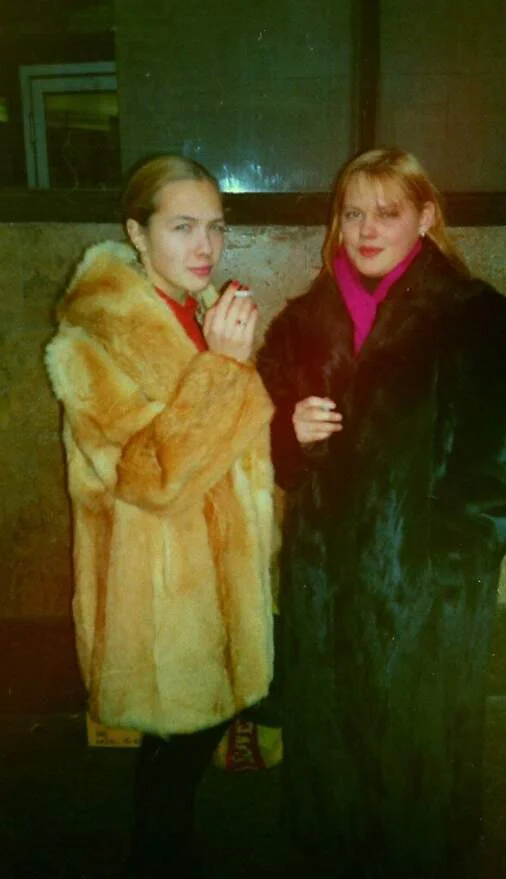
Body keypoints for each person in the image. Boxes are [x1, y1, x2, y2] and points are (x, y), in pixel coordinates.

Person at [257, 147, 506, 879]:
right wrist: (288, 438)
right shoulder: (301, 326)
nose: (365, 229)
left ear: (425, 216)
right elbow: (263, 455)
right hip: (324, 596)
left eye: (387, 212)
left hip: (427, 601)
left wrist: (443, 563)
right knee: (332, 777)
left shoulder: (482, 324)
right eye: (353, 212)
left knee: (416, 772)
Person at [45, 155, 276, 877]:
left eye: (216, 227)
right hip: (159, 593)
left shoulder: (201, 311)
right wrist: (224, 370)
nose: (206, 246)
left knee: (184, 753)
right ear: (136, 233)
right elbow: (148, 480)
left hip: (216, 576)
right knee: (172, 763)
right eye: (182, 227)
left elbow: (235, 446)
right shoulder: (89, 341)